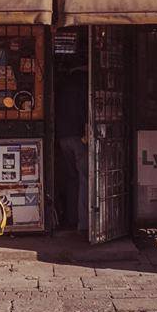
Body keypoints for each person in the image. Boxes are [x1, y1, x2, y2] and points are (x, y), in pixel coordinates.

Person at [56, 64, 89, 233]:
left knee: (72, 177)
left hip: (63, 136)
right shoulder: (85, 84)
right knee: (85, 178)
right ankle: (84, 223)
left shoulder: (63, 85)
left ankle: (71, 217)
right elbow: (84, 110)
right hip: (78, 136)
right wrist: (86, 131)